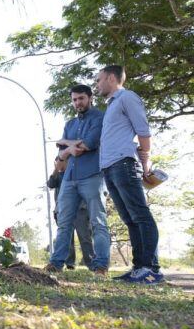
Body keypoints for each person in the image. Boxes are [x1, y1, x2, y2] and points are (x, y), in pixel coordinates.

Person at [95, 65, 163, 284]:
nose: (97, 84)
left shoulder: (127, 98)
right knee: (129, 219)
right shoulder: (112, 105)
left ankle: (151, 268)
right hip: (109, 167)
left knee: (140, 215)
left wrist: (146, 166)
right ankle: (139, 268)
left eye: (99, 80)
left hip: (124, 164)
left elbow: (143, 132)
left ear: (112, 78)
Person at [45, 84, 110, 274]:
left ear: (90, 98)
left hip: (92, 176)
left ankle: (100, 265)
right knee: (64, 223)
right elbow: (62, 158)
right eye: (74, 99)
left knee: (98, 222)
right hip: (69, 178)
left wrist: (66, 143)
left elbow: (88, 144)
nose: (77, 103)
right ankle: (56, 264)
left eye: (81, 98)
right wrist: (66, 148)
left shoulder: (100, 117)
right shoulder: (70, 124)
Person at [47, 155, 94, 269]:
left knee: (85, 237)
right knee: (65, 237)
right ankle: (69, 263)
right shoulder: (58, 175)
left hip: (80, 210)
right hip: (62, 210)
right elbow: (50, 184)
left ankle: (91, 264)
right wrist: (56, 170)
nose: (59, 162)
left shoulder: (76, 171)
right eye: (57, 160)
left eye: (62, 160)